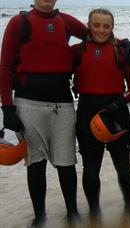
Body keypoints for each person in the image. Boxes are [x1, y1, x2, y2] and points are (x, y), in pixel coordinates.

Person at [0, 0, 87, 227]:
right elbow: (5, 67)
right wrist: (7, 107)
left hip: (63, 105)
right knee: (35, 164)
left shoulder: (65, 21)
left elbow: (97, 35)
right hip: (28, 104)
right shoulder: (19, 22)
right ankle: (40, 216)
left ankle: (73, 212)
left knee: (66, 163)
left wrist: (123, 44)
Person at [71, 8, 130, 221]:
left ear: (112, 28)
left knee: (123, 164)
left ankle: (129, 208)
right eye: (96, 25)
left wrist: (119, 103)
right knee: (91, 167)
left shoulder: (121, 52)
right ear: (88, 26)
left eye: (106, 26)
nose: (101, 30)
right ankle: (94, 213)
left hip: (116, 111)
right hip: (87, 113)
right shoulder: (77, 51)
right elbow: (57, 74)